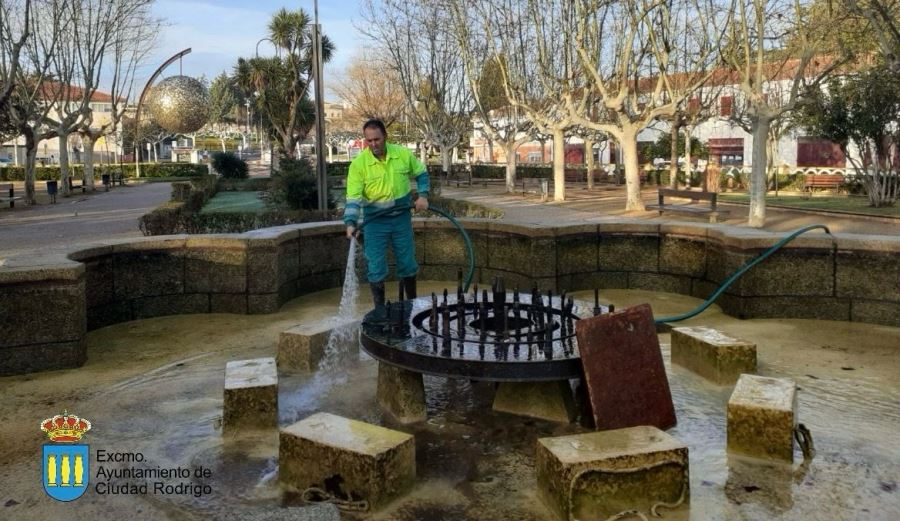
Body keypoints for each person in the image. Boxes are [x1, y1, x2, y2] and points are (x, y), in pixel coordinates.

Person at [344, 119, 430, 309]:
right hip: (375, 222)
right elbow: (353, 198)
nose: (374, 144)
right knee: (375, 266)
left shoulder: (402, 154)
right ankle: (379, 311)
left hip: (401, 218)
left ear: (385, 137)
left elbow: (422, 173)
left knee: (407, 263)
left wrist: (423, 195)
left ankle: (411, 305)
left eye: (377, 139)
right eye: (369, 141)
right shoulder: (359, 165)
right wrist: (351, 222)